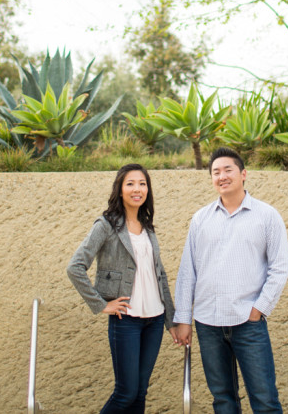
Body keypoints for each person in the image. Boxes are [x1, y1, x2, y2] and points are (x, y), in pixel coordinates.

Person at [173, 146, 288, 414]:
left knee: (265, 400)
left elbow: (280, 268)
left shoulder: (266, 215)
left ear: (243, 174)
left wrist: (258, 310)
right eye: (216, 172)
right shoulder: (201, 219)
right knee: (223, 400)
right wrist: (183, 318)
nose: (222, 176)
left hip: (248, 323)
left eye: (228, 170)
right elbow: (187, 270)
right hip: (207, 323)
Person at [67, 163, 182, 413]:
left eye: (142, 183)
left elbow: (159, 276)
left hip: (155, 319)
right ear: (120, 189)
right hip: (126, 320)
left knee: (140, 392)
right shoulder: (106, 225)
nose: (137, 189)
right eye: (130, 184)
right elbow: (75, 267)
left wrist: (171, 320)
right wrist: (101, 304)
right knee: (126, 392)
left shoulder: (148, 227)